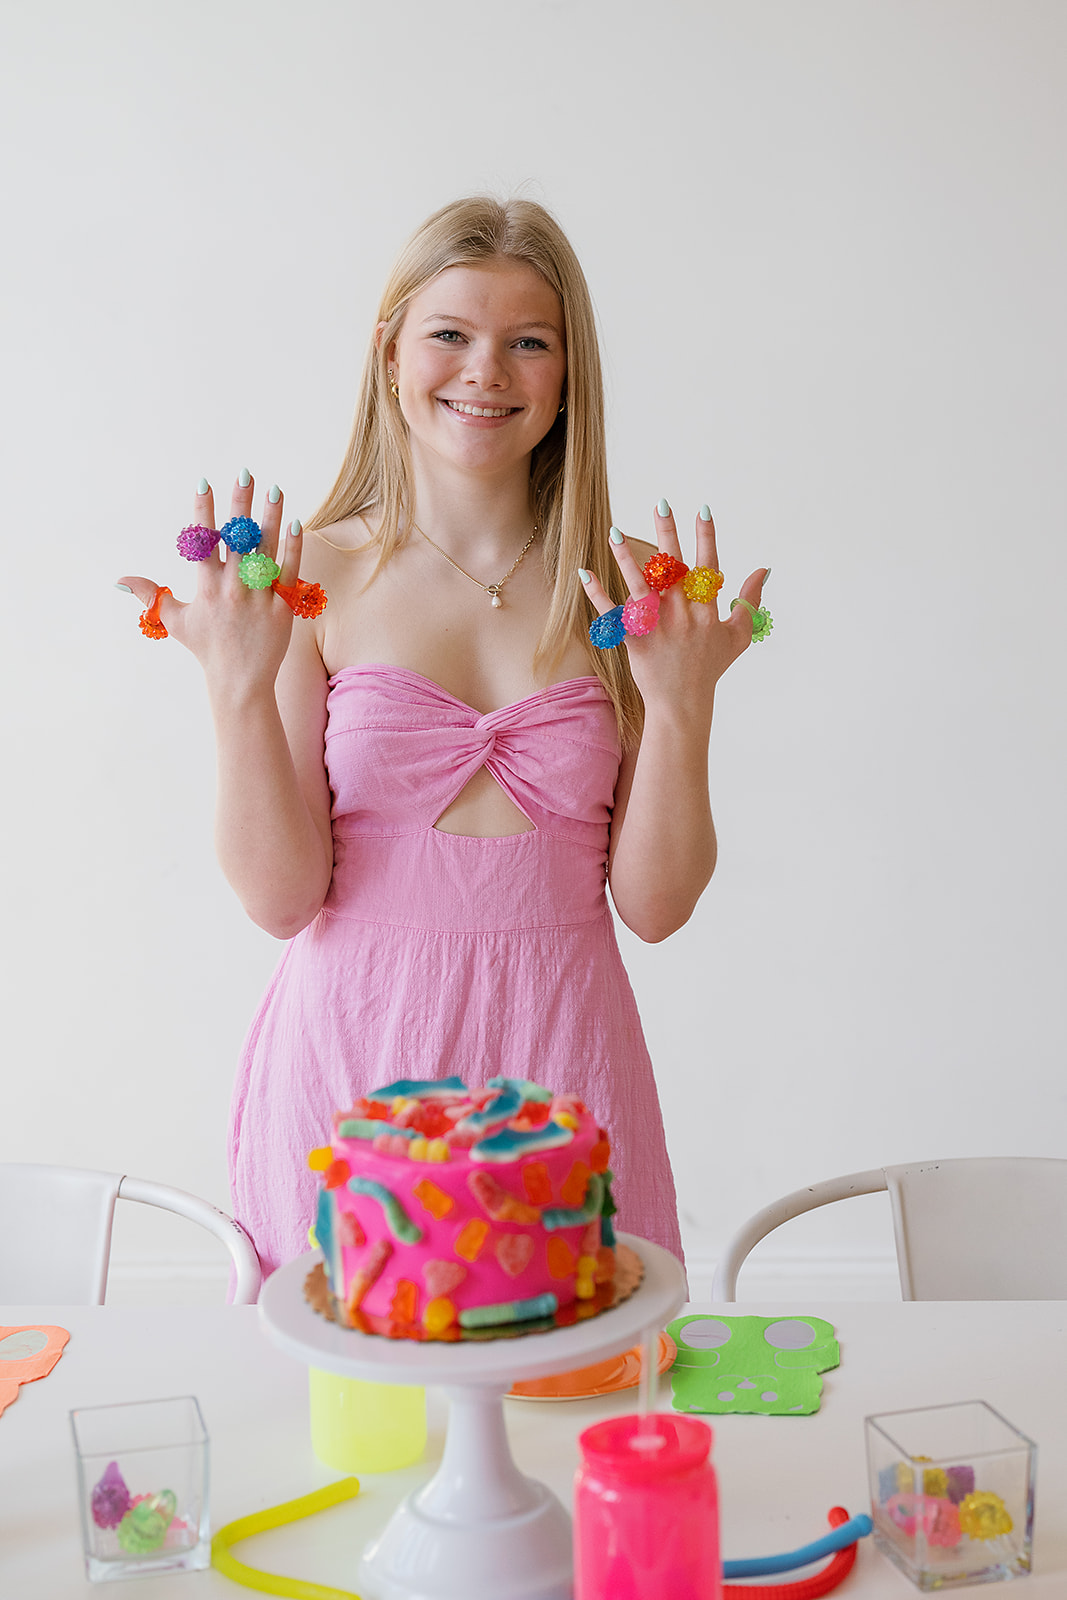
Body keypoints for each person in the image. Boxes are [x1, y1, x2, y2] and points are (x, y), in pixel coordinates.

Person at [120, 196, 768, 1278]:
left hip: (563, 1068)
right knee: (361, 1421)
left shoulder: (621, 597)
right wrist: (234, 692)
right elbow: (282, 898)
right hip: (356, 1065)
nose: (487, 371)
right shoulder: (309, 580)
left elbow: (654, 907)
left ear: (566, 376)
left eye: (528, 342)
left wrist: (685, 702)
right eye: (450, 335)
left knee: (569, 1407)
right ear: (389, 354)